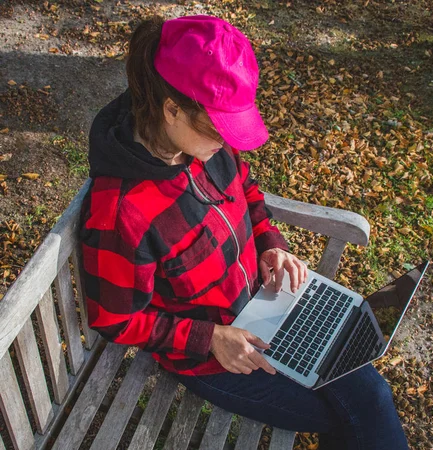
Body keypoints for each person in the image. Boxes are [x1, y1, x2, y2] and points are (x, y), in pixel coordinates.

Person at [80, 14, 409, 450]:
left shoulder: (203, 145)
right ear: (172, 109)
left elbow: (248, 192)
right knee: (357, 412)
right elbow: (115, 318)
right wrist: (211, 338)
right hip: (214, 357)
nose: (227, 140)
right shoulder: (122, 214)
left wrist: (271, 243)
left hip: (265, 306)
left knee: (370, 397)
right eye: (219, 127)